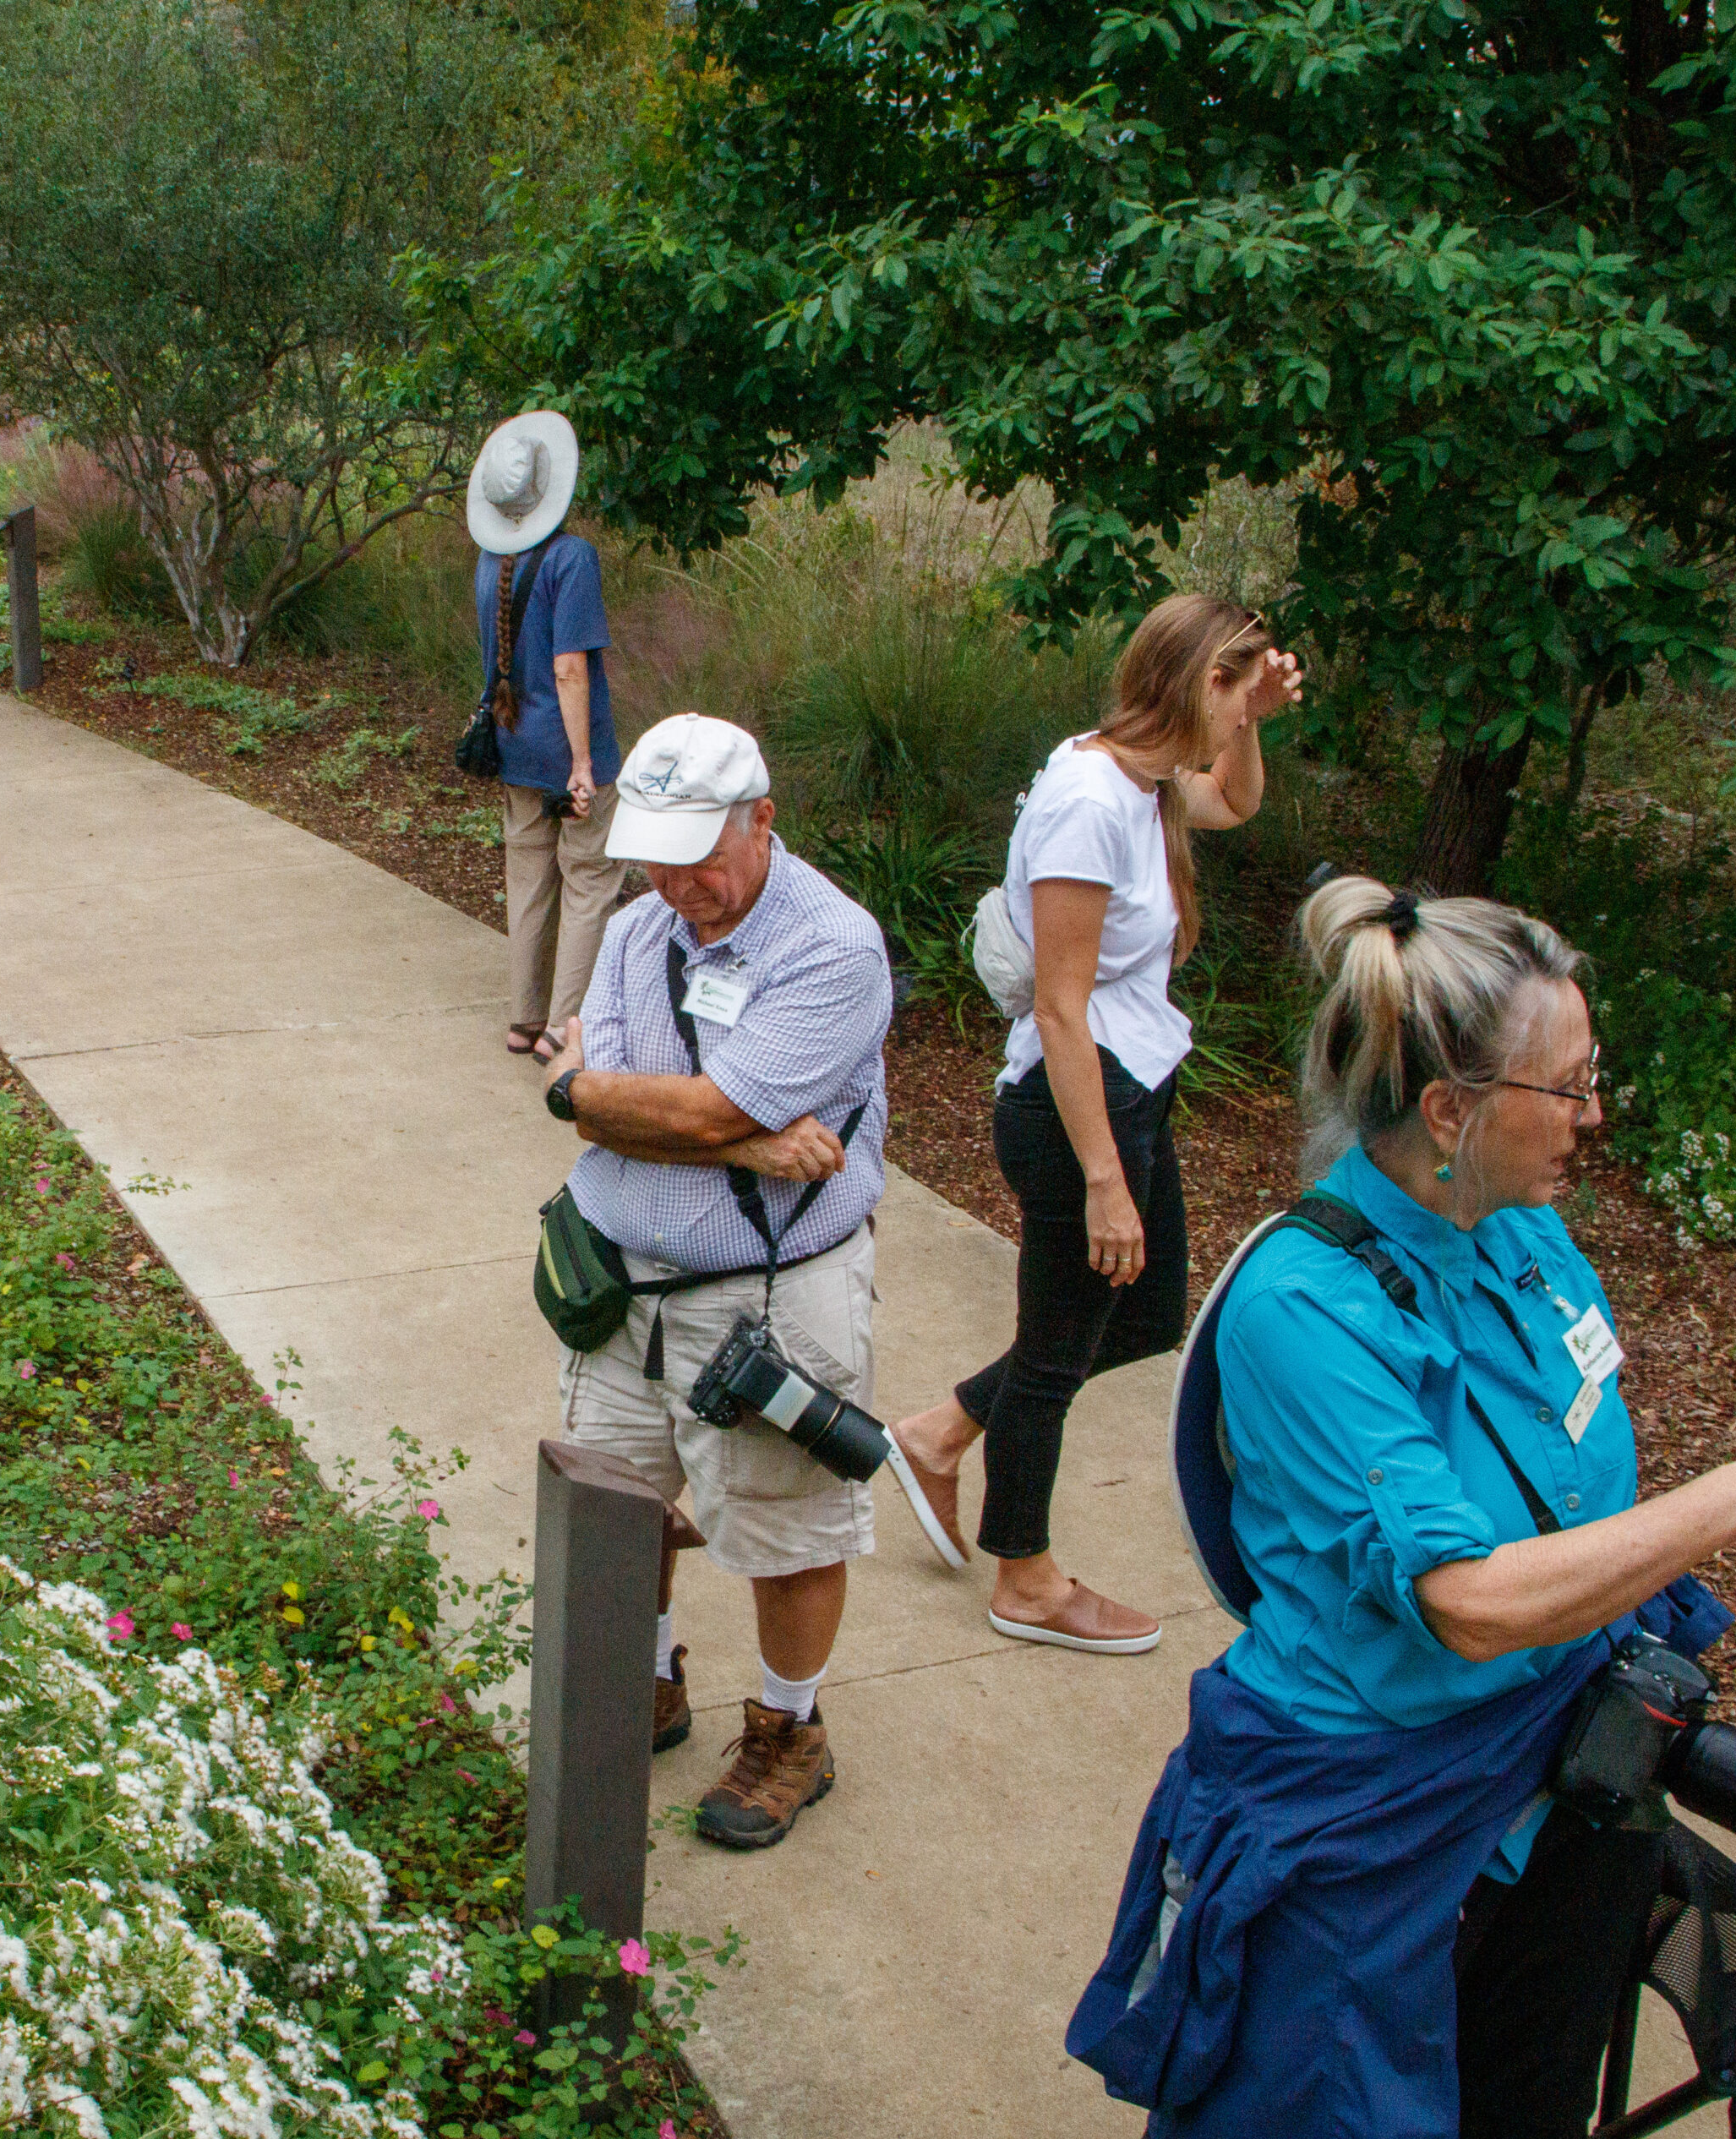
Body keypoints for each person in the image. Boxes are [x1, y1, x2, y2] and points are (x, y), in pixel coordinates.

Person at [1067, 876, 1736, 2139]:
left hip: (1567, 1783)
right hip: (1370, 1817)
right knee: (1305, 2132)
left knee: (1516, 2126)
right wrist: (1735, 1496)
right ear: (1450, 1109)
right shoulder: (1305, 1305)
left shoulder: (1525, 1237)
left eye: (1591, 1075)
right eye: (1567, 1087)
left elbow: (1571, 1481)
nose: (1592, 1116)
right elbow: (1470, 1602)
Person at [892, 596, 1304, 1652]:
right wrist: (1104, 1180)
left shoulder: (1149, 774)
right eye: (1237, 685)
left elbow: (1234, 803)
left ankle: (939, 1434)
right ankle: (1023, 1577)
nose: (1242, 707)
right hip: (1075, 1107)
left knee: (1148, 1314)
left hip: (1132, 1086)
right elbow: (1058, 1008)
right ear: (1196, 679)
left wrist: (1252, 721)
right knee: (1052, 1355)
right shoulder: (1089, 799)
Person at [538, 712, 909, 1849]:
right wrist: (742, 1139)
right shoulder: (637, 925)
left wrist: (591, 1099)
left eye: (699, 851)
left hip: (760, 1300)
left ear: (763, 818)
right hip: (619, 1291)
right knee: (617, 1501)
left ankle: (788, 1729)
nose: (673, 879)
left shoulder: (830, 949)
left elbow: (614, 1096)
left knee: (785, 1527)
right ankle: (649, 1679)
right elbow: (613, 1094)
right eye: (653, 850)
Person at [467, 409, 627, 1066]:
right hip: (567, 752)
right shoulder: (572, 557)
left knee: (529, 878)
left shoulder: (488, 560)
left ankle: (523, 1019)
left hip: (512, 743)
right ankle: (565, 1026)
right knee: (589, 879)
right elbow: (569, 668)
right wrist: (584, 762)